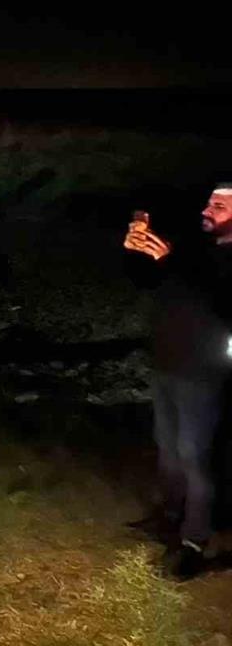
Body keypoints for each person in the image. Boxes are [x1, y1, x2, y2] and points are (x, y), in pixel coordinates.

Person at [124, 183, 232, 578]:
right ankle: (169, 519)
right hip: (167, 365)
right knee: (168, 452)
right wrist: (135, 253)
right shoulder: (194, 250)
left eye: (219, 206)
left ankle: (194, 542)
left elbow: (218, 299)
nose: (208, 209)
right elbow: (150, 283)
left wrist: (170, 262)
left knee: (194, 456)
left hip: (203, 374)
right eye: (208, 201)